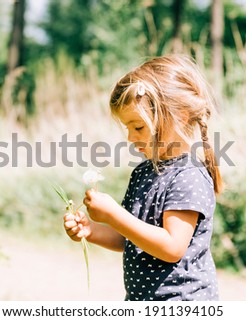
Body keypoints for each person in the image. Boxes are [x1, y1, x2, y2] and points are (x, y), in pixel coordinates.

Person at [63, 54, 223, 301]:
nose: (130, 137)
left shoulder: (188, 176)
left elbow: (171, 247)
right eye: (127, 128)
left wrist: (114, 214)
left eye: (138, 127)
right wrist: (91, 231)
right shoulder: (142, 173)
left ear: (178, 115)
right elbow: (129, 237)